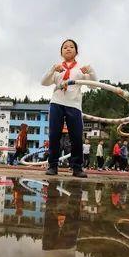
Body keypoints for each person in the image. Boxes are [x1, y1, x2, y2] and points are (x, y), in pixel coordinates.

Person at [41, 39, 97, 178]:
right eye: (65, 47)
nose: (68, 49)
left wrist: (91, 70)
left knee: (76, 136)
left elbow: (93, 86)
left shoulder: (80, 69)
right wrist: (53, 69)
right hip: (57, 103)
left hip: (74, 105)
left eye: (71, 47)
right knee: (54, 135)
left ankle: (77, 167)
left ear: (76, 51)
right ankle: (53, 165)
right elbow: (43, 82)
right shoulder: (58, 68)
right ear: (61, 52)